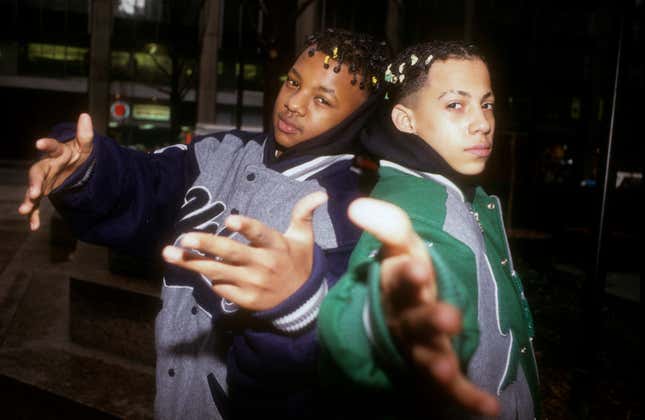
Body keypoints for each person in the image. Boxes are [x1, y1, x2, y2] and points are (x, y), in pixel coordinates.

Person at [18, 29, 388, 419]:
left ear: (356, 120)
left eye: (322, 99)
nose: (294, 103)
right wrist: (86, 170)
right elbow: (146, 182)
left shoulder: (349, 217)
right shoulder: (221, 152)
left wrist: (297, 306)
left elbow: (337, 367)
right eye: (293, 82)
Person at [318, 41, 540, 419]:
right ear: (406, 121)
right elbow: (383, 302)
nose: (483, 122)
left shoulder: (457, 192)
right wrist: (388, 326)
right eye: (456, 105)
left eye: (486, 104)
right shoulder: (419, 214)